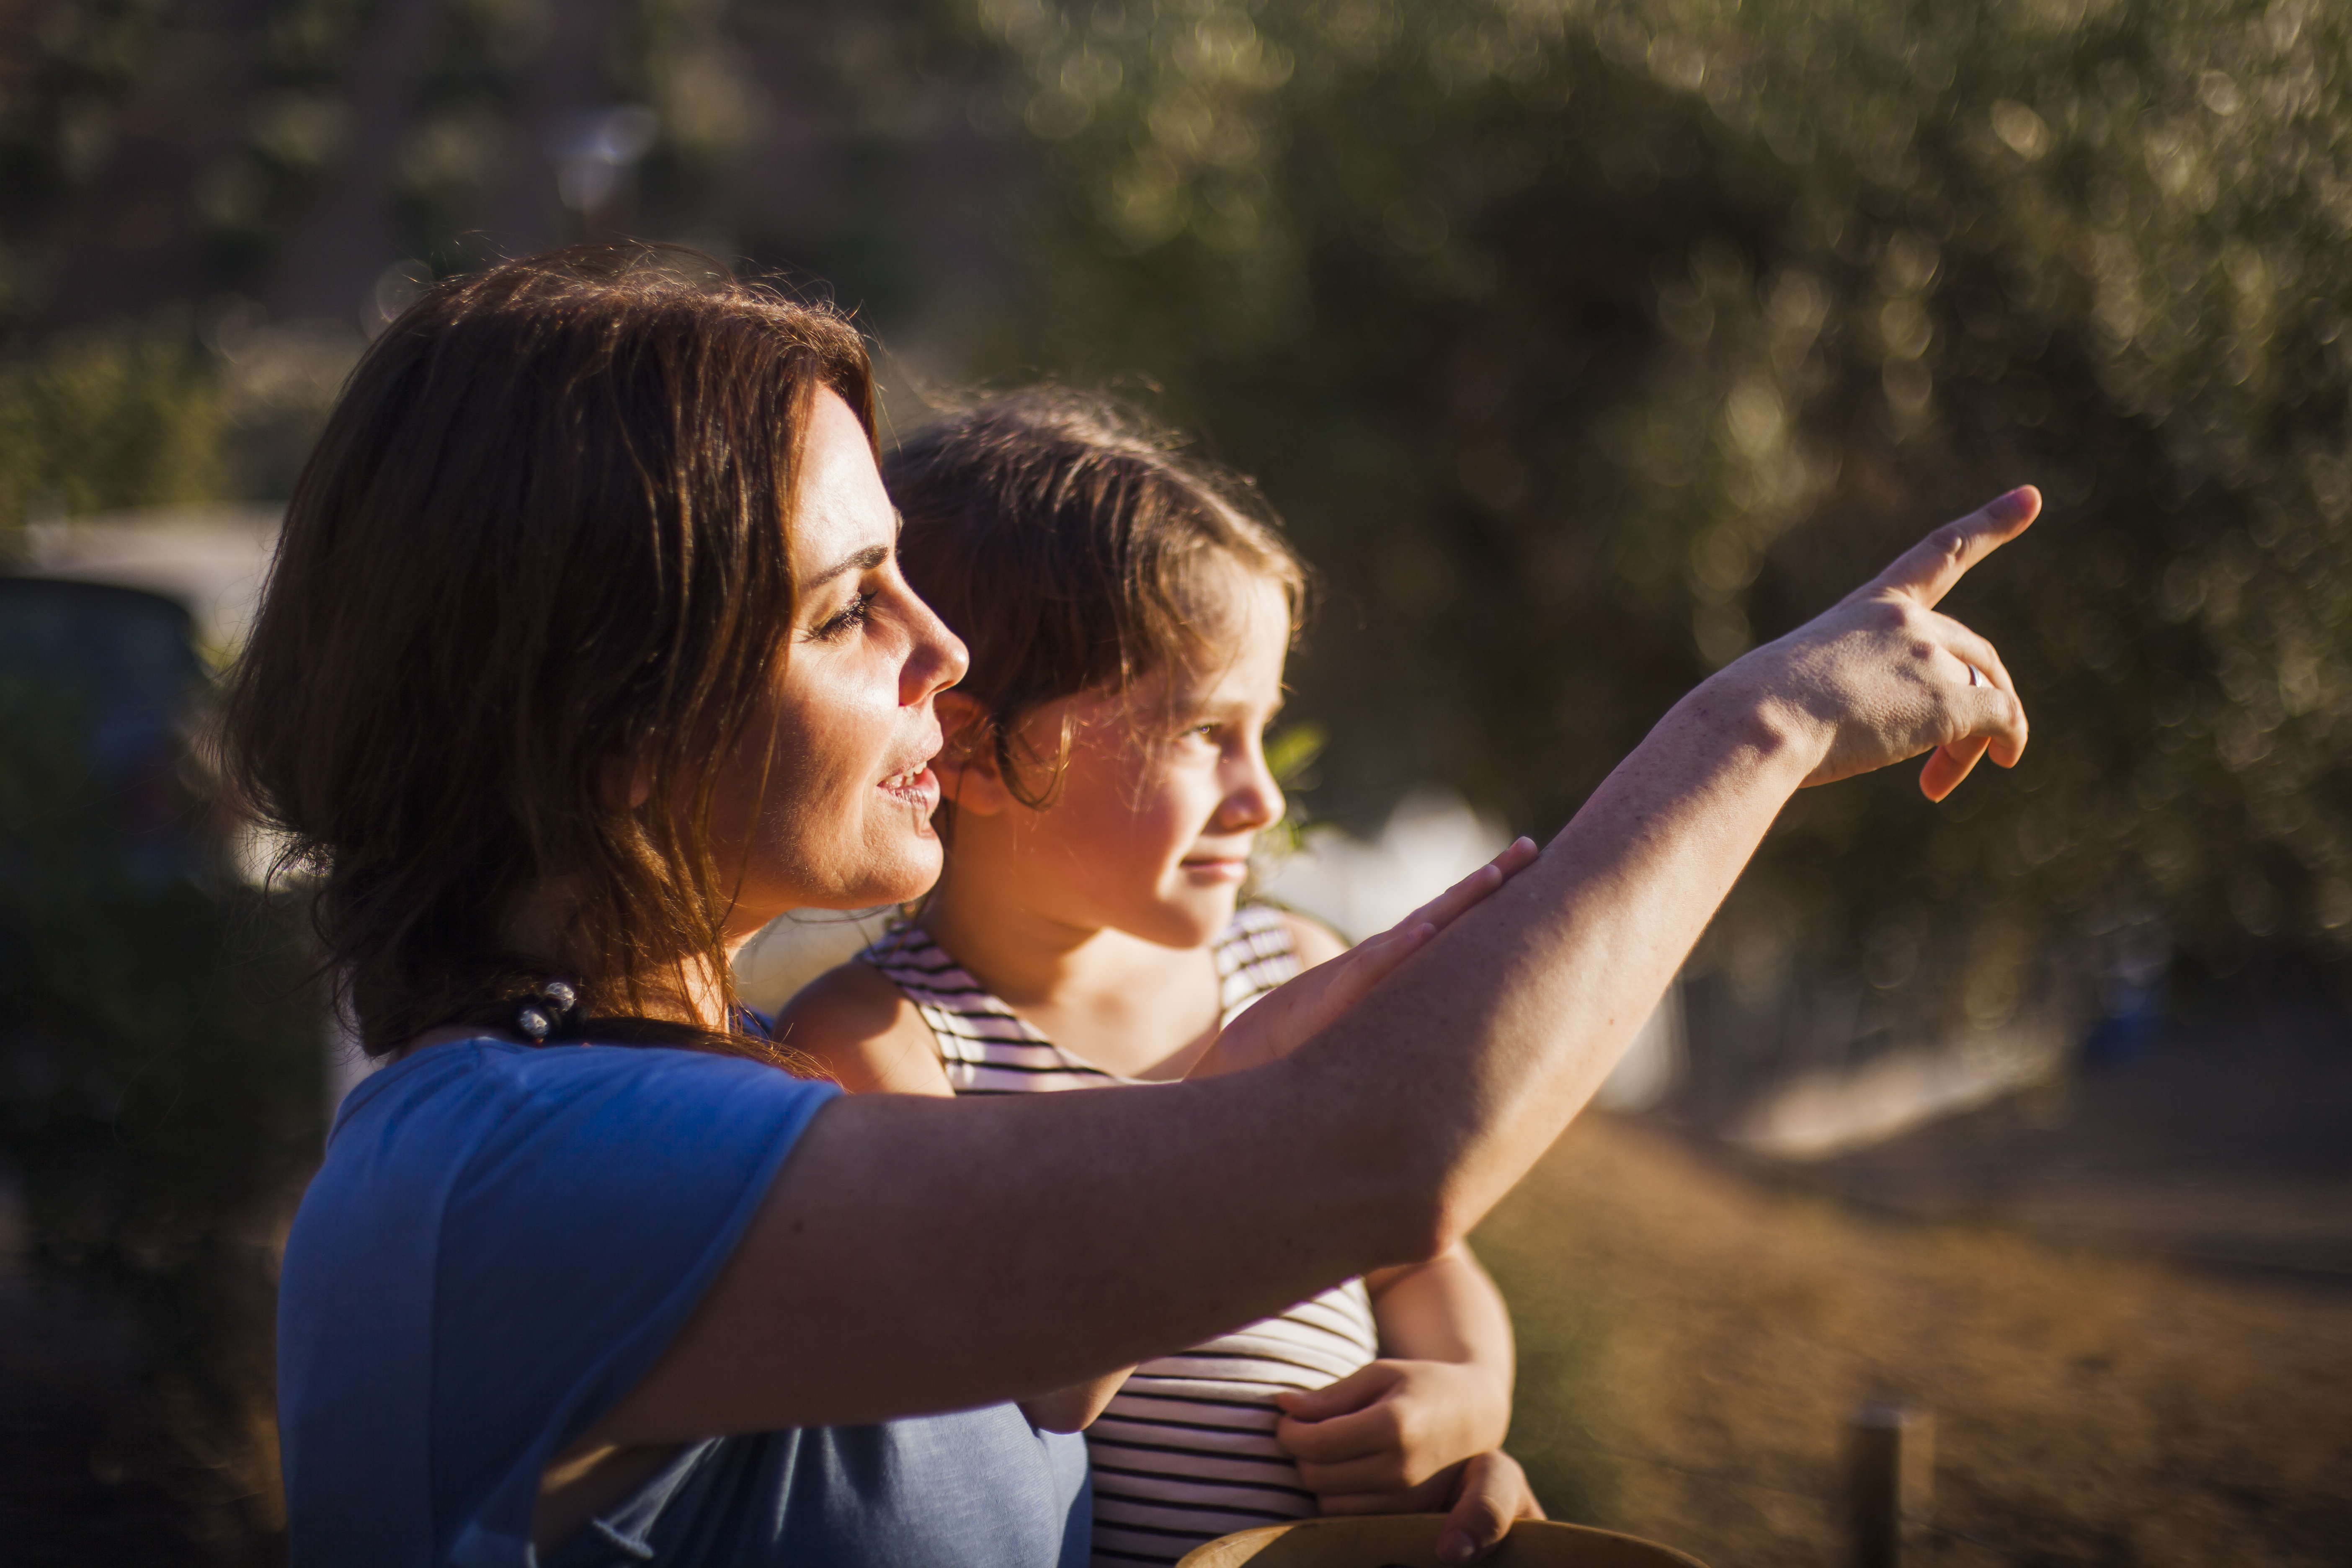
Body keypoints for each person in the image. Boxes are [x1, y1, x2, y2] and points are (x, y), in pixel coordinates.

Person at [223, 245, 2037, 1568]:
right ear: (617, 721)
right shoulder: (519, 1170)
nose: (943, 653)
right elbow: (1393, 1161)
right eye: (854, 607)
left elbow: (1111, 1337)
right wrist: (1761, 722)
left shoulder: (687, 1109)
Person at [781, 389, 1532, 1567]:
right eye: (1201, 732)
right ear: (974, 748)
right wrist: (1217, 1109)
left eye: (1262, 726)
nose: (1263, 795)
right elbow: (1035, 1381)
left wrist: (1466, 1395)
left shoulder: (1287, 968)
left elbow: (1423, 1258)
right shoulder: (887, 1047)